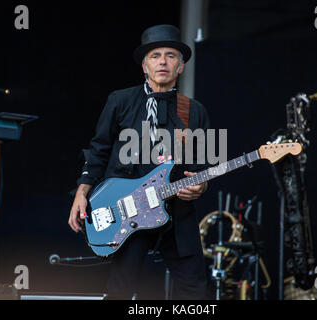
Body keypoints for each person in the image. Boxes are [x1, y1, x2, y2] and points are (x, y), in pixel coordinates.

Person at [68, 24, 211, 299]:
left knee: (195, 290)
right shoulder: (121, 101)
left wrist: (201, 185)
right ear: (145, 65)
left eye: (171, 55)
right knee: (121, 289)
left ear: (180, 67)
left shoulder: (194, 111)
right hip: (128, 210)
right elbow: (98, 150)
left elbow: (201, 165)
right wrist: (82, 191)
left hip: (176, 212)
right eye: (155, 55)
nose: (163, 61)